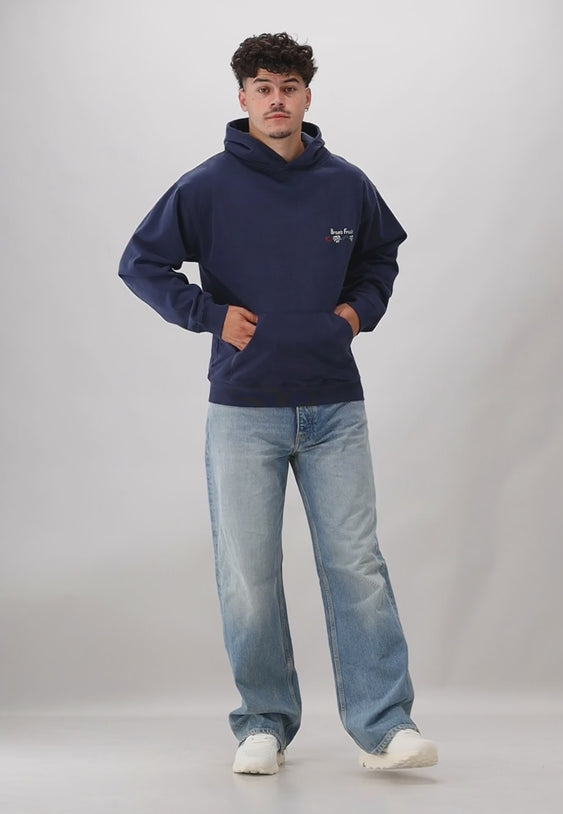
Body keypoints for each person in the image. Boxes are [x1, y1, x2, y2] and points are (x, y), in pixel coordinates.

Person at [119, 32, 438, 774]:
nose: (276, 100)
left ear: (306, 96)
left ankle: (385, 727)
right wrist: (207, 315)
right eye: (263, 87)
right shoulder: (206, 186)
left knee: (357, 567)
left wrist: (355, 315)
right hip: (243, 410)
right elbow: (141, 262)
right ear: (243, 97)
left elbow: (380, 256)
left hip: (334, 408)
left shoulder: (346, 184)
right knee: (248, 575)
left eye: (289, 87)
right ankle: (262, 723)